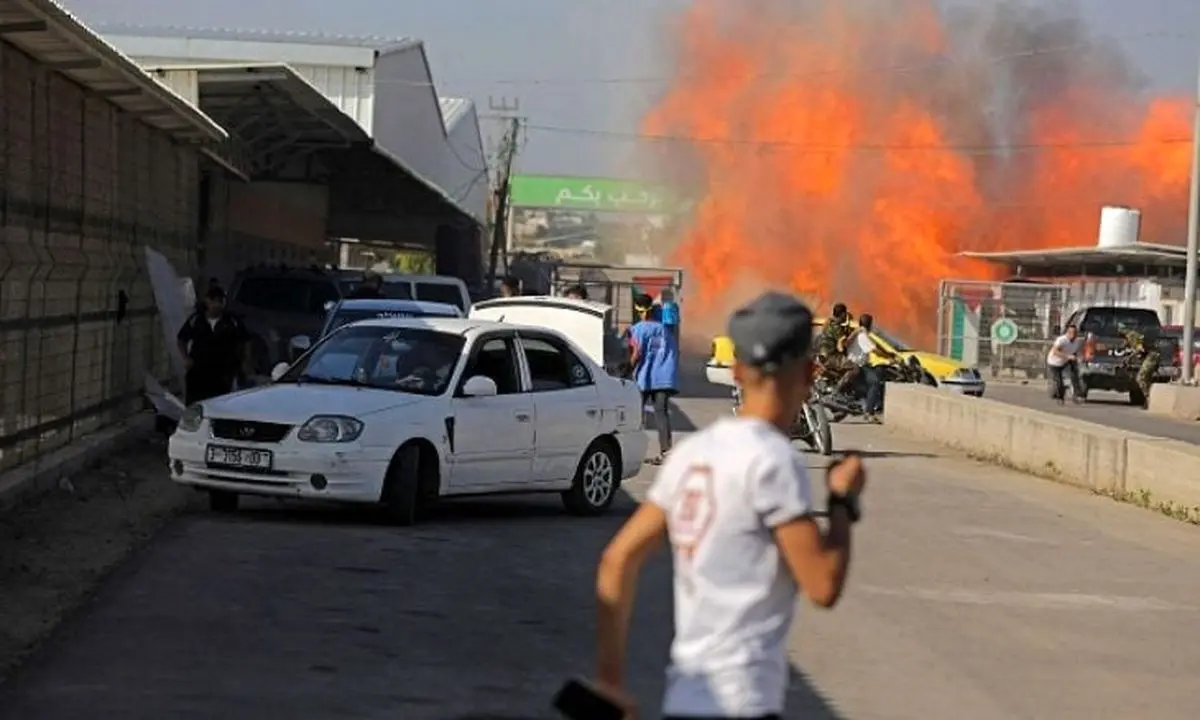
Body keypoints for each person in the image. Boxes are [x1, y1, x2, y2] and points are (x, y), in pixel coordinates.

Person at [593, 291, 866, 720]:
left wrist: (610, 683)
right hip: (743, 702)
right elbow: (822, 585)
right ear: (810, 373)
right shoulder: (775, 462)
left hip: (684, 698)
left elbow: (616, 561)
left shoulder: (691, 455)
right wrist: (841, 501)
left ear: (737, 371)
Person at [177, 286, 250, 405]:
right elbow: (181, 339)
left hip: (223, 372)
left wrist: (243, 363)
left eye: (219, 301)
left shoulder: (232, 321)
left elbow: (245, 341)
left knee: (220, 403)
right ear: (207, 301)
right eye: (213, 301)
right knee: (195, 405)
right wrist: (186, 359)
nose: (216, 305)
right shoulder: (196, 319)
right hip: (198, 370)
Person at [629, 293, 679, 465]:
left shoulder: (637, 329)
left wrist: (626, 371)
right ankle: (666, 453)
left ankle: (632, 452)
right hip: (665, 377)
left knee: (635, 414)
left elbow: (636, 354)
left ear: (637, 309)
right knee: (661, 414)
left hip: (644, 378)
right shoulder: (666, 328)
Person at [847, 313, 895, 421]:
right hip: (857, 366)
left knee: (876, 373)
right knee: (874, 382)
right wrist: (889, 356)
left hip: (859, 365)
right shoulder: (862, 336)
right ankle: (869, 412)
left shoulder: (861, 334)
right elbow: (874, 350)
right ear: (870, 324)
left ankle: (869, 403)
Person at [817, 302, 855, 393]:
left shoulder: (828, 322)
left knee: (842, 369)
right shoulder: (836, 327)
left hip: (822, 356)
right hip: (831, 356)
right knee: (854, 368)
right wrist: (855, 333)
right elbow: (842, 345)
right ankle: (837, 390)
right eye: (845, 314)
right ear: (842, 314)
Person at [1121, 326, 1160, 407]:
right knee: (1146, 379)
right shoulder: (1132, 337)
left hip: (1152, 356)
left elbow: (1140, 349)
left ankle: (1148, 398)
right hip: (1150, 356)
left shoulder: (1132, 336)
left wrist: (1129, 358)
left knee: (1141, 378)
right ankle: (1150, 399)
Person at [1047, 323, 1085, 405]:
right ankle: (1060, 398)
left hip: (1066, 361)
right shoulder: (1062, 340)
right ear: (1067, 332)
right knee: (1059, 381)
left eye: (1074, 333)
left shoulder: (1077, 342)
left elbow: (1075, 352)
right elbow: (1055, 351)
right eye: (1070, 333)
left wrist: (1079, 358)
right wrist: (1067, 356)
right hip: (1054, 362)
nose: (1072, 335)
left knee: (1075, 375)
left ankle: (1076, 395)